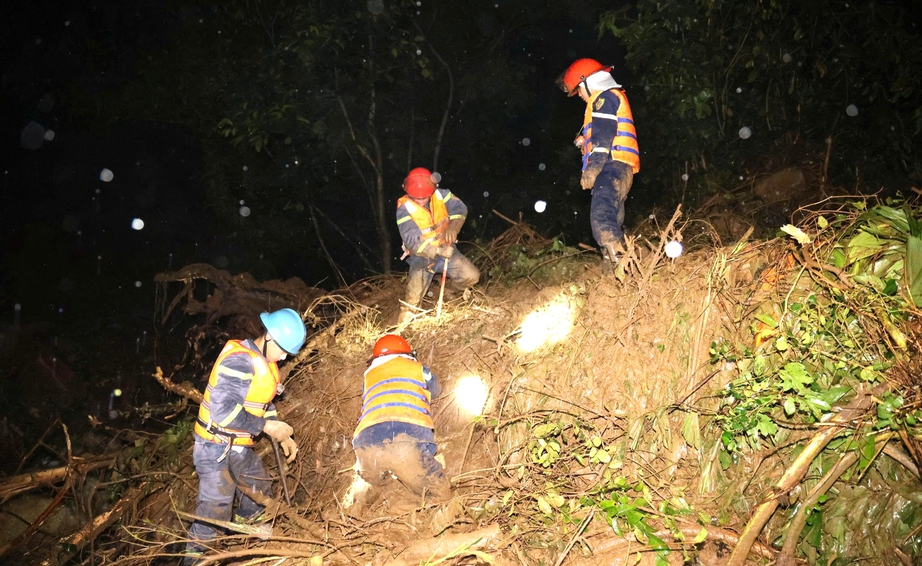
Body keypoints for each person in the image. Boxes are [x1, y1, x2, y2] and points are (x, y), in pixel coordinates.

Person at [183, 308, 306, 565]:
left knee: (257, 486)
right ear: (269, 336)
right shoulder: (239, 362)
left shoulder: (266, 363)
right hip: (214, 446)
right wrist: (267, 428)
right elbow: (223, 411)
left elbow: (261, 404)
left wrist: (281, 434)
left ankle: (244, 538)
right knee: (216, 507)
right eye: (282, 349)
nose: (283, 357)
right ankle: (195, 559)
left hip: (237, 446)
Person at [557, 58, 640, 268]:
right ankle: (614, 271)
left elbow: (604, 136)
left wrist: (592, 169)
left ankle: (625, 265)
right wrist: (585, 141)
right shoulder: (612, 98)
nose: (580, 96)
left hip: (611, 167)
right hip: (621, 167)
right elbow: (605, 131)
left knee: (601, 218)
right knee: (613, 221)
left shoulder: (604, 97)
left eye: (579, 90)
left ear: (587, 81)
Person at [351, 334, 450, 506]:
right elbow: (436, 389)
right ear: (407, 353)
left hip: (365, 447)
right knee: (437, 489)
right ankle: (419, 509)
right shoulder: (417, 368)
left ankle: (363, 500)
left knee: (376, 483)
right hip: (404, 439)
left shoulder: (368, 378)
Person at [396, 167, 480, 325]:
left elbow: (460, 208)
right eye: (416, 197)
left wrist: (453, 228)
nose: (421, 201)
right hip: (422, 257)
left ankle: (449, 288)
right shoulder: (403, 209)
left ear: (432, 190)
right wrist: (436, 251)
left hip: (447, 248)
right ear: (408, 192)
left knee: (472, 276)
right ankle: (404, 328)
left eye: (424, 197)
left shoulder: (441, 194)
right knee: (411, 305)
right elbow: (412, 242)